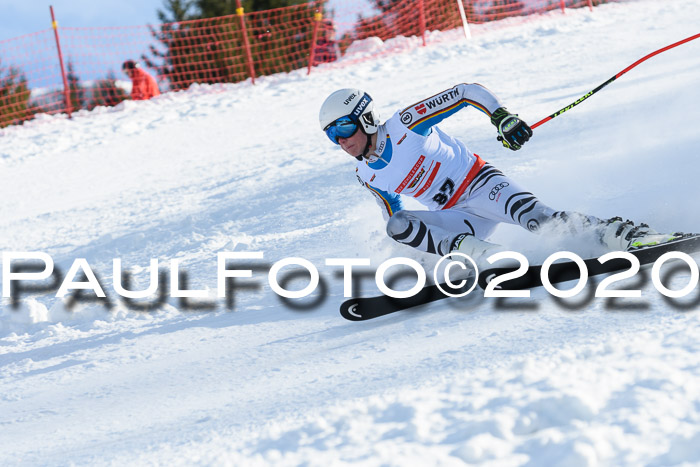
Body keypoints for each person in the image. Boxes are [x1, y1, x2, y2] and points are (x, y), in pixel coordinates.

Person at [318, 85, 672, 261]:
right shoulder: (367, 175)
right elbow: (401, 221)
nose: (342, 141)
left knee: (541, 221)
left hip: (482, 186)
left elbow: (465, 92)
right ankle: (486, 258)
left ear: (364, 117)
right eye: (332, 135)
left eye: (345, 128)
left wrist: (501, 117)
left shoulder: (405, 125)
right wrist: (414, 262)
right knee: (395, 226)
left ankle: (626, 236)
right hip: (458, 219)